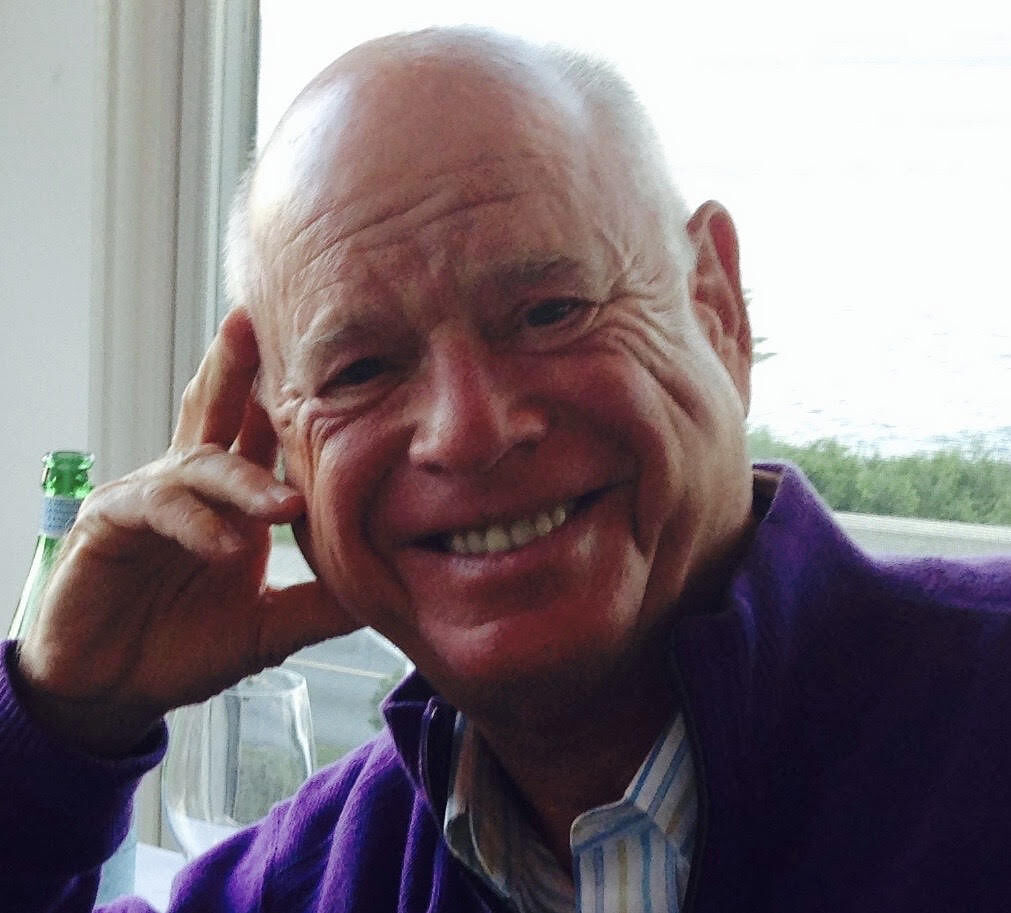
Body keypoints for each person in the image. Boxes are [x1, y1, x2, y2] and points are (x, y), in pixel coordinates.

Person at [1, 26, 1009, 913]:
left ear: (716, 309)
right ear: (280, 451)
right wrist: (55, 734)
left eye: (549, 311)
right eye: (360, 370)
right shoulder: (327, 873)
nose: (467, 430)